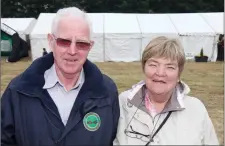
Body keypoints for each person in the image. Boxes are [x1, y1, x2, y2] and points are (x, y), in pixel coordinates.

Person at [1, 7, 120, 146]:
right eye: (64, 42)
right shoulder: (18, 90)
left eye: (81, 44)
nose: (73, 51)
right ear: (51, 41)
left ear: (90, 46)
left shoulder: (107, 92)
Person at [113, 36, 219, 145]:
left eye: (170, 67)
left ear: (179, 74)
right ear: (144, 68)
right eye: (153, 65)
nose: (160, 73)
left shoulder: (196, 108)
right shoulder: (123, 103)